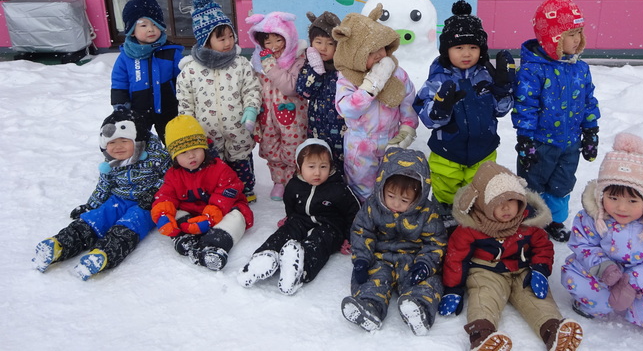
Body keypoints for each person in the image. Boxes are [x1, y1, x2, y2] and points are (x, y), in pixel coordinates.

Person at [561, 132, 643, 345]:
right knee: (575, 278)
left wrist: (634, 282)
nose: (621, 207)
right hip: (604, 275)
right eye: (613, 198)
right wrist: (604, 268)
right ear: (601, 195)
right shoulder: (593, 217)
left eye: (632, 201)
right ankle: (592, 304)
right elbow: (582, 244)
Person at [440, 161, 583, 351]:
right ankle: (482, 335)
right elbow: (456, 257)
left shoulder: (528, 221)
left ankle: (553, 331)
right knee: (483, 296)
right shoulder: (471, 226)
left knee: (536, 299)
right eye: (498, 203)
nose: (506, 208)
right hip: (486, 270)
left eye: (511, 201)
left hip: (523, 269)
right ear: (483, 204)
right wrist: (453, 288)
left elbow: (543, 246)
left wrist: (540, 269)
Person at [32, 109, 171, 280]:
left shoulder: (156, 157)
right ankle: (60, 245)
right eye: (112, 142)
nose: (118, 147)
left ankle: (103, 255)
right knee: (96, 219)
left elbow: (169, 177)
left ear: (138, 141)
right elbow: (104, 186)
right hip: (118, 200)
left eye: (124, 141)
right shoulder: (111, 163)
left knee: (129, 226)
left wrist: (153, 193)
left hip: (146, 204)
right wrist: (91, 205)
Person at [413, 0, 515, 228]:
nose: (466, 53)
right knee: (445, 188)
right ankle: (445, 218)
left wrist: (503, 90)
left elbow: (501, 110)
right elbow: (426, 115)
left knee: (480, 189)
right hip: (447, 150)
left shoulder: (487, 75)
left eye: (473, 47)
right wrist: (439, 109)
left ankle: (475, 223)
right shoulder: (438, 78)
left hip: (483, 149)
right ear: (446, 50)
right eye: (459, 48)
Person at [511, 0, 600, 243]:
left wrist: (591, 131)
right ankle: (530, 222)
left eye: (579, 32)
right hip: (540, 143)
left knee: (562, 184)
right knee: (533, 185)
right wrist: (525, 138)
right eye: (571, 34)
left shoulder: (580, 69)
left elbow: (588, 101)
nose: (577, 39)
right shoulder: (533, 71)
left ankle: (554, 221)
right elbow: (525, 106)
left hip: (570, 142)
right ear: (553, 39)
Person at [341, 148, 447, 336]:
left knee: (427, 283)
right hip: (380, 257)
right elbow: (361, 232)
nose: (396, 204)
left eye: (405, 200)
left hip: (413, 259)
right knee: (372, 280)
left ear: (419, 196)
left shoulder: (427, 212)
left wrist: (424, 265)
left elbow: (435, 242)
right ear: (381, 185)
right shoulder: (373, 206)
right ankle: (369, 307)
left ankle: (419, 309)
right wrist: (362, 260)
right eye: (391, 196)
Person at [237, 138, 360, 295]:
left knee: (319, 242)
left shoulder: (338, 188)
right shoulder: (295, 185)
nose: (317, 172)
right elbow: (290, 203)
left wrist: (348, 236)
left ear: (330, 167)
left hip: (330, 225)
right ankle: (263, 258)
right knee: (286, 231)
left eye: (323, 167)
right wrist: (290, 217)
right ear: (299, 167)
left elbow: (353, 211)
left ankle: (300, 269)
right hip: (301, 219)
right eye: (311, 167)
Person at [176, 0, 262, 202]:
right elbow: (185, 100)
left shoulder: (240, 64)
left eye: (231, 36)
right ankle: (220, 192)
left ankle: (245, 189)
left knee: (241, 161)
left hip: (238, 127)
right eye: (221, 39)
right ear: (206, 40)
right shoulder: (191, 70)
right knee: (215, 165)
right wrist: (188, 125)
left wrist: (251, 108)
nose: (228, 42)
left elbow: (252, 88)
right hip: (207, 131)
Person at [332, 4, 419, 201]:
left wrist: (407, 129)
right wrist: (370, 86)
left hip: (391, 141)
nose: (379, 54)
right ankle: (364, 212)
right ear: (355, 55)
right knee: (362, 187)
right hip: (361, 146)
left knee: (391, 185)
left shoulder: (397, 74)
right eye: (371, 52)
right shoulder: (348, 78)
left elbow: (408, 102)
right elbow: (346, 109)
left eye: (381, 48)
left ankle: (388, 214)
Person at [151, 115, 254, 271]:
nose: (191, 155)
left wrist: (212, 214)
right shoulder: (173, 175)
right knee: (174, 212)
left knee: (237, 217)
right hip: (193, 214)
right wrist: (163, 215)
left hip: (221, 211)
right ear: (175, 157)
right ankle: (185, 238)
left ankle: (214, 245)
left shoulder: (218, 167)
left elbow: (229, 189)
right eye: (183, 152)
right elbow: (165, 196)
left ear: (204, 147)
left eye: (195, 148)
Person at [246, 11, 308, 200]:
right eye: (268, 41)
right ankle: (278, 182)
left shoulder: (297, 58)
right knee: (271, 148)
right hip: (268, 116)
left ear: (288, 38)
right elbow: (254, 87)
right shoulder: (258, 61)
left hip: (293, 117)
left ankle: (291, 181)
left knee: (292, 148)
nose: (274, 46)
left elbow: (290, 87)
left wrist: (271, 66)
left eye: (279, 40)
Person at [111, 0, 184, 142]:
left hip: (168, 109)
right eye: (143, 25)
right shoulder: (126, 57)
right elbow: (119, 83)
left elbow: (183, 79)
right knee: (139, 142)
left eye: (155, 24)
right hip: (138, 111)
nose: (151, 29)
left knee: (173, 140)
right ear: (132, 31)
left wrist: (183, 101)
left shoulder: (171, 52)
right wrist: (121, 106)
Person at [295, 11, 346, 176]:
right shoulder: (308, 66)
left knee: (340, 162)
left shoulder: (343, 68)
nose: (323, 48)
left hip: (341, 127)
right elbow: (304, 92)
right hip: (317, 126)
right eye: (318, 42)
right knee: (319, 159)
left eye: (330, 43)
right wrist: (316, 70)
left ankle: (340, 187)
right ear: (311, 43)